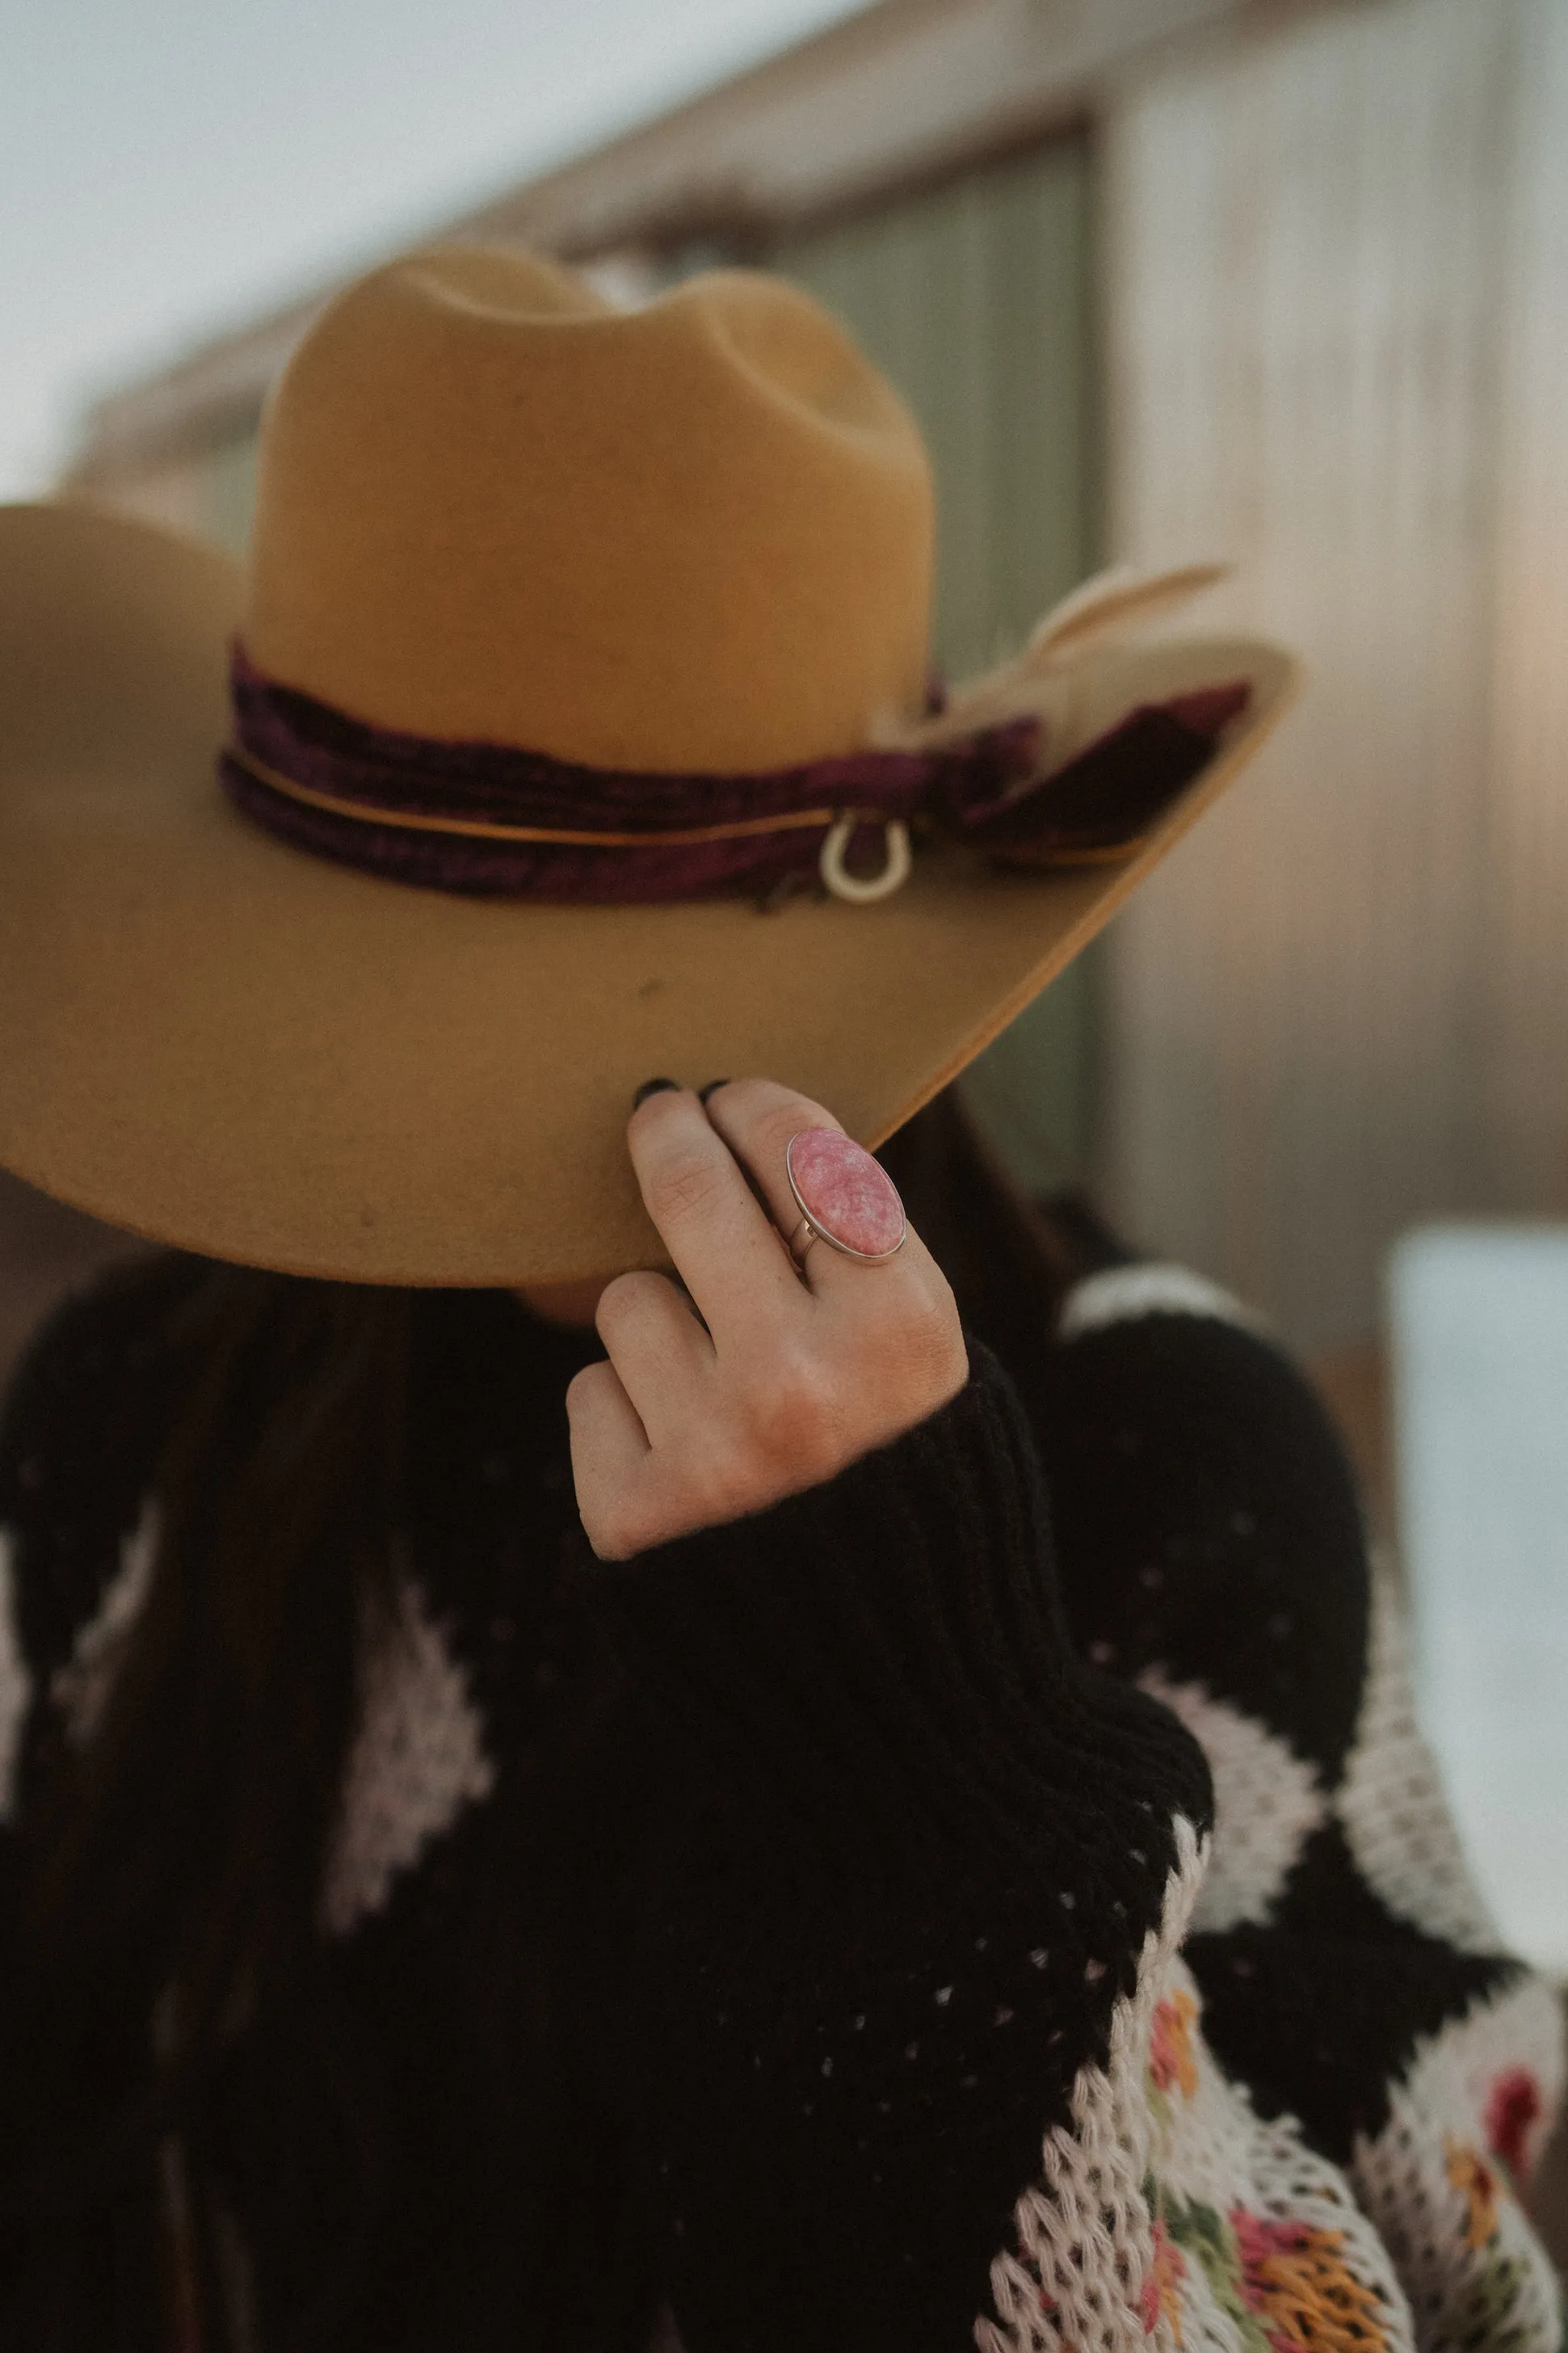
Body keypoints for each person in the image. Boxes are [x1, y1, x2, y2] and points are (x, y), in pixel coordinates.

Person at [0, 246, 1558, 2353]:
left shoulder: (1160, 1446)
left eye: (570, 985)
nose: (485, 1092)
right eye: (410, 985)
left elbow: (1431, 2309)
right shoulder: (124, 1416)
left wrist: (935, 1772)